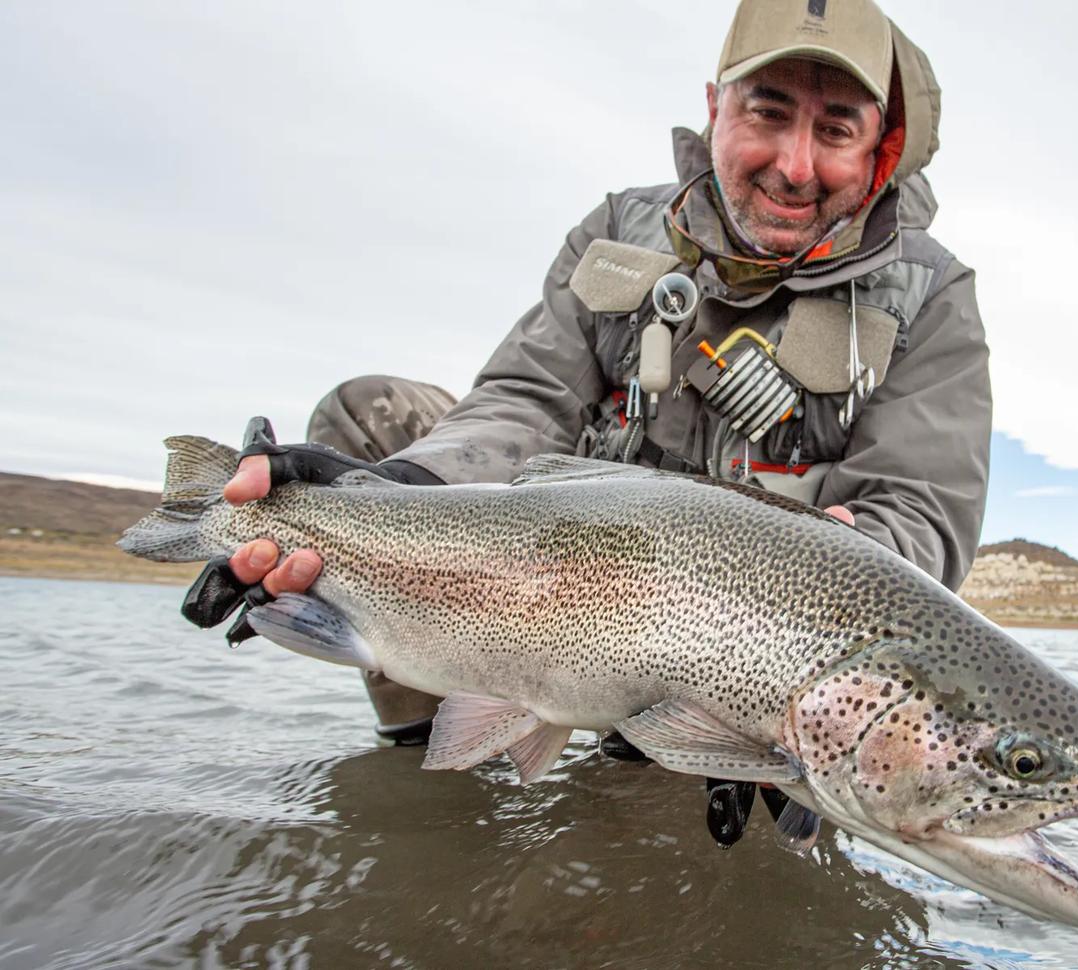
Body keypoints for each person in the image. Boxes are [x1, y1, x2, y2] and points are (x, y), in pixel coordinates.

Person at [185, 0, 992, 849]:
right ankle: (430, 769)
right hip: (551, 589)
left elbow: (918, 511)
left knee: (729, 862)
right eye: (768, 112)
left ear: (881, 145)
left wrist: (808, 673)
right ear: (715, 106)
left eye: (835, 130)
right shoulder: (618, 230)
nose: (795, 165)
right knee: (368, 421)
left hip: (755, 656)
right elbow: (527, 398)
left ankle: (708, 766)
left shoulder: (930, 294)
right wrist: (393, 495)